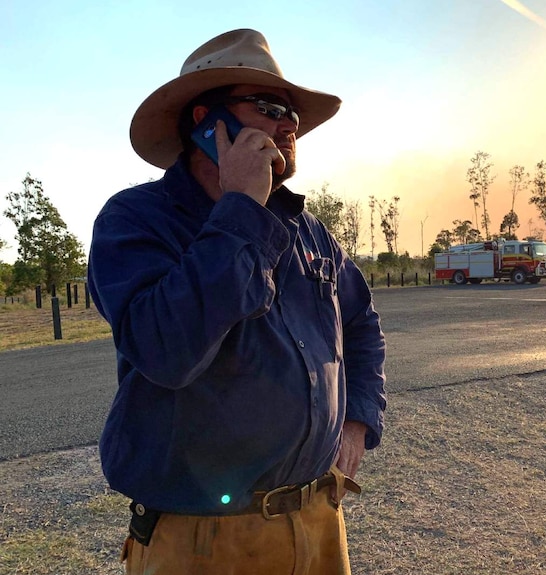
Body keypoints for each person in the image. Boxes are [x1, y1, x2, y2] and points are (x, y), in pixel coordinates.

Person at [87, 29, 387, 574]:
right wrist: (242, 209)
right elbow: (165, 351)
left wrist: (359, 418)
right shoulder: (134, 220)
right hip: (201, 538)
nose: (290, 125)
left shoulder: (310, 231)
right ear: (207, 121)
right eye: (271, 107)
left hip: (319, 520)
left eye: (292, 114)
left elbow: (362, 324)